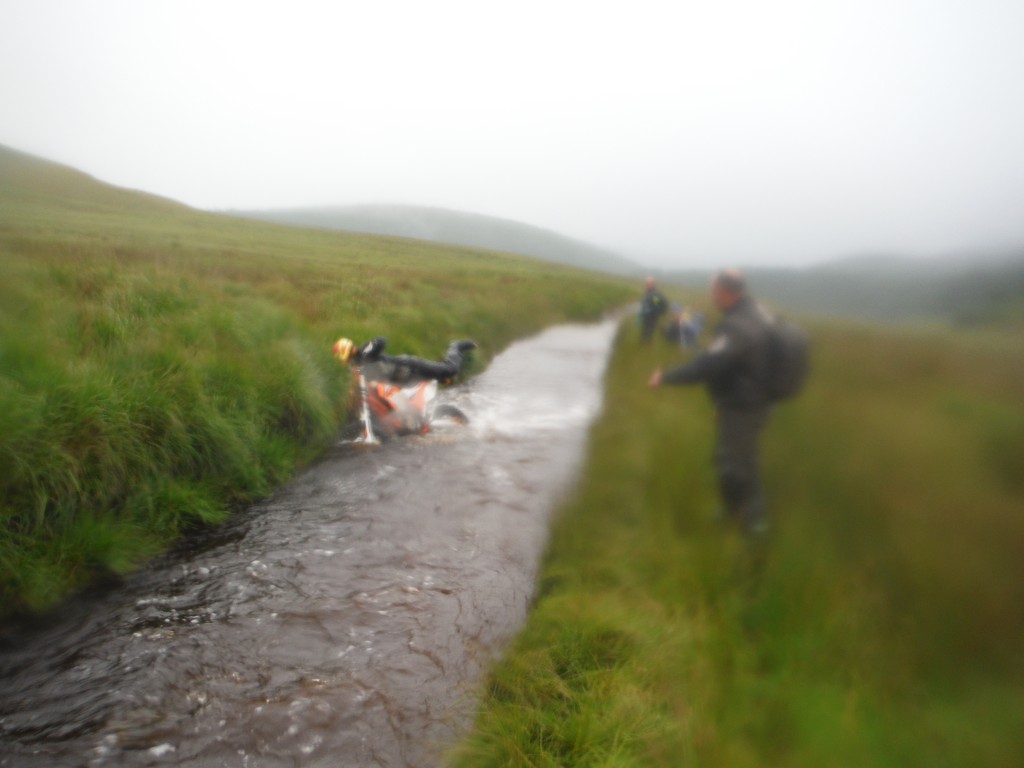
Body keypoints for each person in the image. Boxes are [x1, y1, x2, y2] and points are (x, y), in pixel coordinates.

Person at [647, 268, 773, 535]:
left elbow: (708, 364)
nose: (711, 294)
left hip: (743, 405)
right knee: (729, 459)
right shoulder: (757, 313)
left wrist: (665, 376)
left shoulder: (736, 325)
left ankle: (754, 528)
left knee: (740, 464)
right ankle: (732, 511)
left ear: (723, 292)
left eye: (713, 289)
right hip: (749, 400)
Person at [332, 336, 476, 384]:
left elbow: (381, 340)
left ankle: (455, 346)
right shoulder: (355, 367)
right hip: (404, 381)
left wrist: (368, 353)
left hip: (411, 366)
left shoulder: (365, 351)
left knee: (450, 370)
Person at [638, 276, 669, 342]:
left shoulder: (655, 294)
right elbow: (647, 301)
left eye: (649, 284)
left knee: (649, 329)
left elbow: (656, 304)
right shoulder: (649, 292)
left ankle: (646, 344)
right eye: (646, 284)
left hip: (652, 315)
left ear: (653, 284)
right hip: (648, 314)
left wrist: (649, 311)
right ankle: (644, 342)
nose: (647, 285)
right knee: (645, 328)